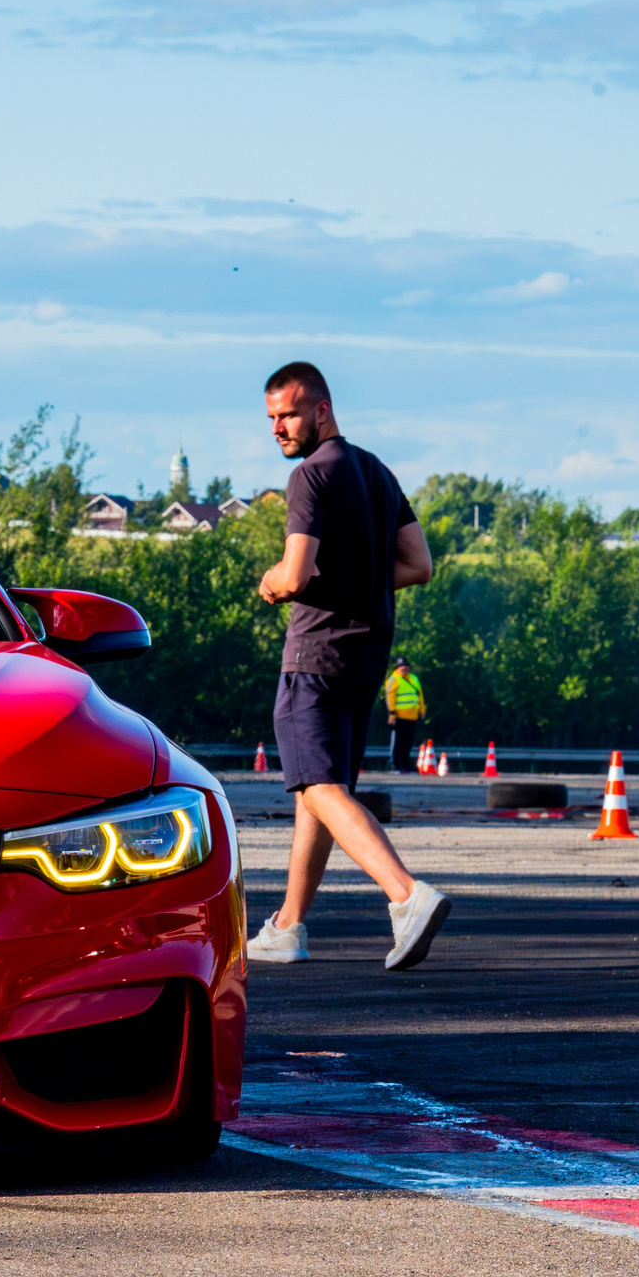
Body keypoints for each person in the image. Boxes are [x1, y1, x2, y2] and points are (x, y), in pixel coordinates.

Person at [244, 362, 450, 971]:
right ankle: (288, 925)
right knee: (320, 791)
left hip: (315, 655)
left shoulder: (311, 476)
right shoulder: (374, 471)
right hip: (365, 659)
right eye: (272, 419)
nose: (279, 429)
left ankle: (407, 896)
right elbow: (418, 565)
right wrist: (358, 582)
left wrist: (274, 585)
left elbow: (297, 570)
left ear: (322, 411)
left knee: (317, 784)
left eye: (288, 415)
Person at [382, 655, 424, 775]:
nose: (404, 668)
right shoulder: (394, 679)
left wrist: (421, 710)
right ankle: (395, 765)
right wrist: (392, 713)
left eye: (406, 666)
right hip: (399, 716)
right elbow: (389, 697)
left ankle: (406, 766)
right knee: (398, 742)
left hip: (412, 716)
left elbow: (419, 695)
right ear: (397, 668)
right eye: (401, 666)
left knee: (408, 742)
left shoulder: (413, 678)